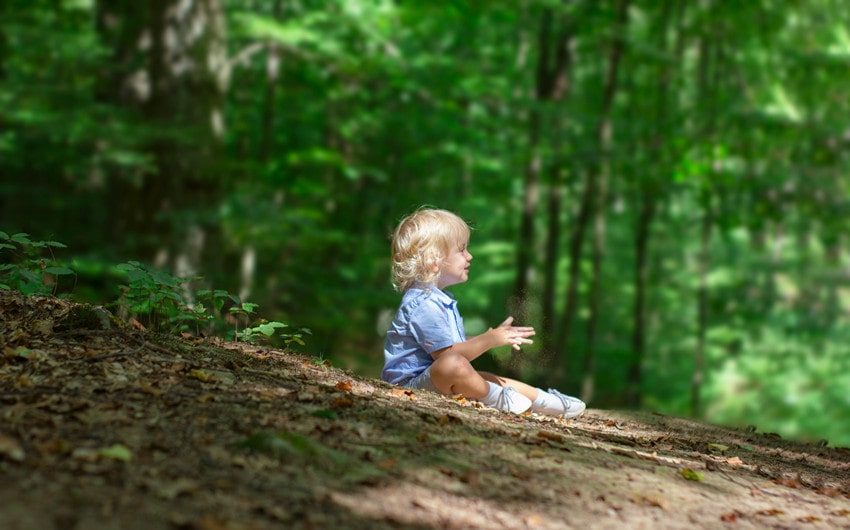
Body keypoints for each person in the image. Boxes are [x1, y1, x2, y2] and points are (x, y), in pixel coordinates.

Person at [382, 207, 586, 418]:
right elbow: (448, 356)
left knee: (484, 376)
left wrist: (489, 337)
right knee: (454, 365)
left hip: (434, 378)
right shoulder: (423, 303)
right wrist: (489, 340)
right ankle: (500, 399)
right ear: (434, 259)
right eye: (461, 250)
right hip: (412, 386)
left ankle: (545, 401)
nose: (469, 256)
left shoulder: (437, 299)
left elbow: (451, 345)